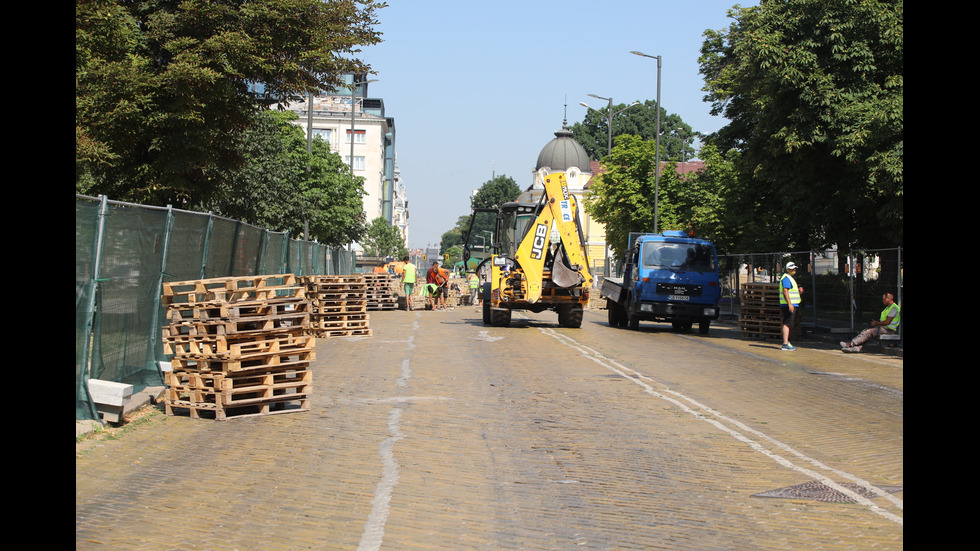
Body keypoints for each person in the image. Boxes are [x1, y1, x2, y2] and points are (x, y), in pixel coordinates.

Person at [779, 262, 803, 351]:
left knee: (788, 323)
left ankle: (786, 343)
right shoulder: (786, 278)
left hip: (791, 304)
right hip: (788, 305)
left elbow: (790, 291)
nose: (794, 270)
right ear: (787, 269)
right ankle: (785, 343)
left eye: (795, 268)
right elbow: (785, 291)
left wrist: (798, 291)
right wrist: (789, 304)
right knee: (787, 323)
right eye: (792, 268)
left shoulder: (789, 278)